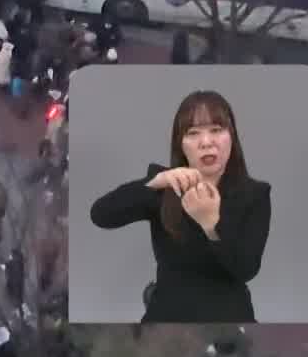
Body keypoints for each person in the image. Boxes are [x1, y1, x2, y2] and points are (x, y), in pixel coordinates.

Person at [88, 89, 271, 322]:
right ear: (181, 144)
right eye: (193, 133)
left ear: (232, 137)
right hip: (167, 312)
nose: (206, 142)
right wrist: (153, 184)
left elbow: (247, 268)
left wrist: (211, 225)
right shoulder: (166, 186)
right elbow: (101, 215)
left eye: (216, 130)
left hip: (227, 315)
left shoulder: (255, 194)